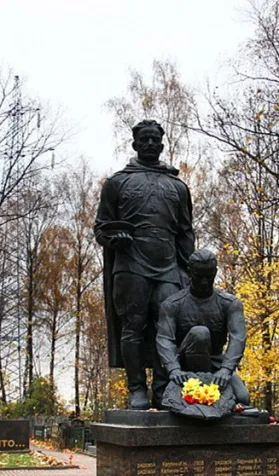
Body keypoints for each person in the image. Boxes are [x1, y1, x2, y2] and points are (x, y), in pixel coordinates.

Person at [94, 119, 195, 409]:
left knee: (168, 328)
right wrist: (115, 238)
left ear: (162, 145)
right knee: (133, 326)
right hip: (131, 265)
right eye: (144, 139)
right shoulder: (117, 183)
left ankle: (162, 390)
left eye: (154, 140)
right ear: (135, 144)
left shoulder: (178, 186)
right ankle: (136, 388)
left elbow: (185, 232)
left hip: (168, 266)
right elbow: (101, 228)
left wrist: (189, 269)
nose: (150, 144)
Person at [157, 248, 251, 406]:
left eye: (209, 276)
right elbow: (165, 338)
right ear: (190, 273)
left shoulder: (229, 303)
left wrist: (226, 369)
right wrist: (174, 369)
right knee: (200, 333)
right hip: (183, 364)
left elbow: (238, 338)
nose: (204, 281)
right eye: (199, 276)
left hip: (216, 363)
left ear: (215, 273)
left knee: (243, 398)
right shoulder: (173, 304)